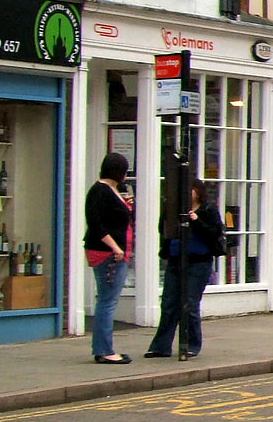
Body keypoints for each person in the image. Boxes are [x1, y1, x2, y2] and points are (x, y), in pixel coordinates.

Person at [146, 181, 223, 360]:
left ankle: (191, 345)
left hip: (199, 262)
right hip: (175, 260)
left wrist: (196, 221)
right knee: (169, 304)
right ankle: (160, 346)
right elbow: (163, 229)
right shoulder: (174, 210)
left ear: (198, 192)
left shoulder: (207, 210)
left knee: (189, 303)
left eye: (191, 189)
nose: (187, 193)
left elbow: (214, 232)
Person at [84, 152, 135, 364]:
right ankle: (105, 350)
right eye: (124, 170)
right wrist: (116, 248)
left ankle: (104, 347)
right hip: (108, 254)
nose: (126, 175)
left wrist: (126, 204)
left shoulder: (112, 190)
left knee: (107, 300)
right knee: (107, 301)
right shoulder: (100, 191)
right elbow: (96, 224)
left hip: (116, 252)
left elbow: (116, 218)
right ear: (118, 171)